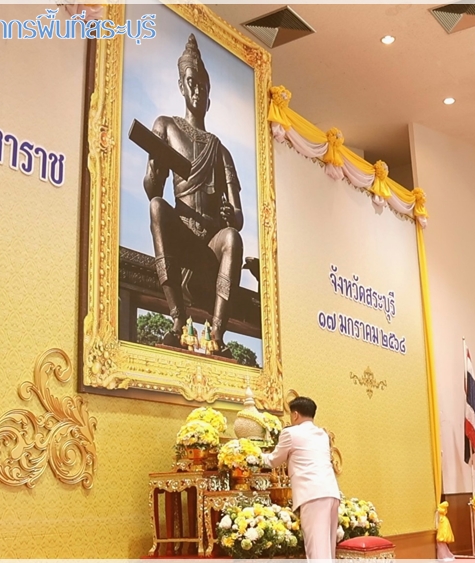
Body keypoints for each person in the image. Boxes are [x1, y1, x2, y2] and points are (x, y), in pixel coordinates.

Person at [144, 33, 244, 357]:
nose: (197, 91)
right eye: (192, 83)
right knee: (157, 207)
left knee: (232, 238)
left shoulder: (220, 151)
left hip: (209, 244)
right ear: (181, 86)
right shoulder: (166, 127)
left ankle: (217, 333)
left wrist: (230, 216)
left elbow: (238, 218)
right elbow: (153, 190)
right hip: (182, 235)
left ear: (209, 98)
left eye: (203, 86)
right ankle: (178, 319)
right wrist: (154, 166)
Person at [262, 397, 341, 560]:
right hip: (331, 493)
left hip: (312, 494)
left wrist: (254, 455)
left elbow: (273, 461)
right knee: (328, 551)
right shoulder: (323, 434)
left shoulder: (290, 433)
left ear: (295, 414)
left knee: (317, 552)